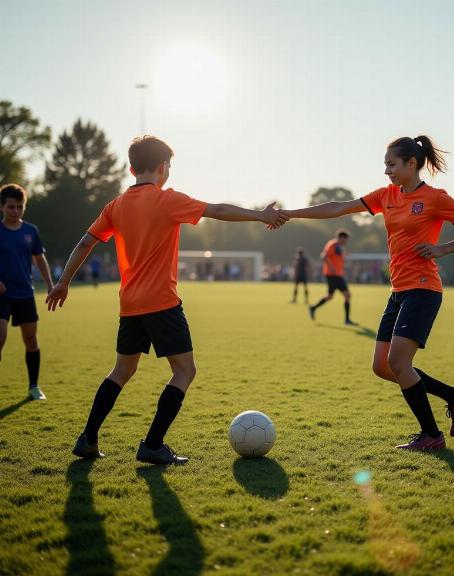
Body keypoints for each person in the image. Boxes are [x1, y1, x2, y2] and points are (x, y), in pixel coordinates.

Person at [46, 135, 288, 465]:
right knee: (185, 371)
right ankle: (153, 444)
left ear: (132, 168)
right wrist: (259, 216)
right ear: (163, 168)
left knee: (122, 370)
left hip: (129, 304)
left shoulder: (115, 206)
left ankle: (87, 438)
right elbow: (215, 210)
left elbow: (85, 243)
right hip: (162, 302)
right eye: (169, 166)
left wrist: (62, 282)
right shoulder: (167, 199)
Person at [282, 135, 454, 450]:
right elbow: (338, 207)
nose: (387, 171)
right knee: (382, 366)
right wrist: (291, 213)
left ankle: (432, 436)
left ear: (411, 163)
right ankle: (453, 395)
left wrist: (442, 249)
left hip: (423, 289)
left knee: (399, 362)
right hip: (399, 291)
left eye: (392, 165)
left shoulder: (435, 198)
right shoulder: (385, 195)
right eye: (385, 165)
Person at [0, 184, 53, 400]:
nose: (15, 211)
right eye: (11, 207)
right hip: (2, 295)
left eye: (19, 207)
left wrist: (51, 284)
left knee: (31, 340)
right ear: (2, 206)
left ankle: (33, 387)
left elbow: (39, 259)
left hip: (25, 294)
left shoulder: (31, 231)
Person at [309, 229, 357, 325]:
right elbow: (324, 256)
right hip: (331, 275)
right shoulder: (332, 244)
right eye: (345, 239)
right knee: (331, 296)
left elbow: (338, 258)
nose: (346, 242)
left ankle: (347, 320)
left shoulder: (340, 247)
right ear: (341, 237)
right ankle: (313, 307)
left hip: (339, 275)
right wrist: (332, 268)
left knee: (346, 295)